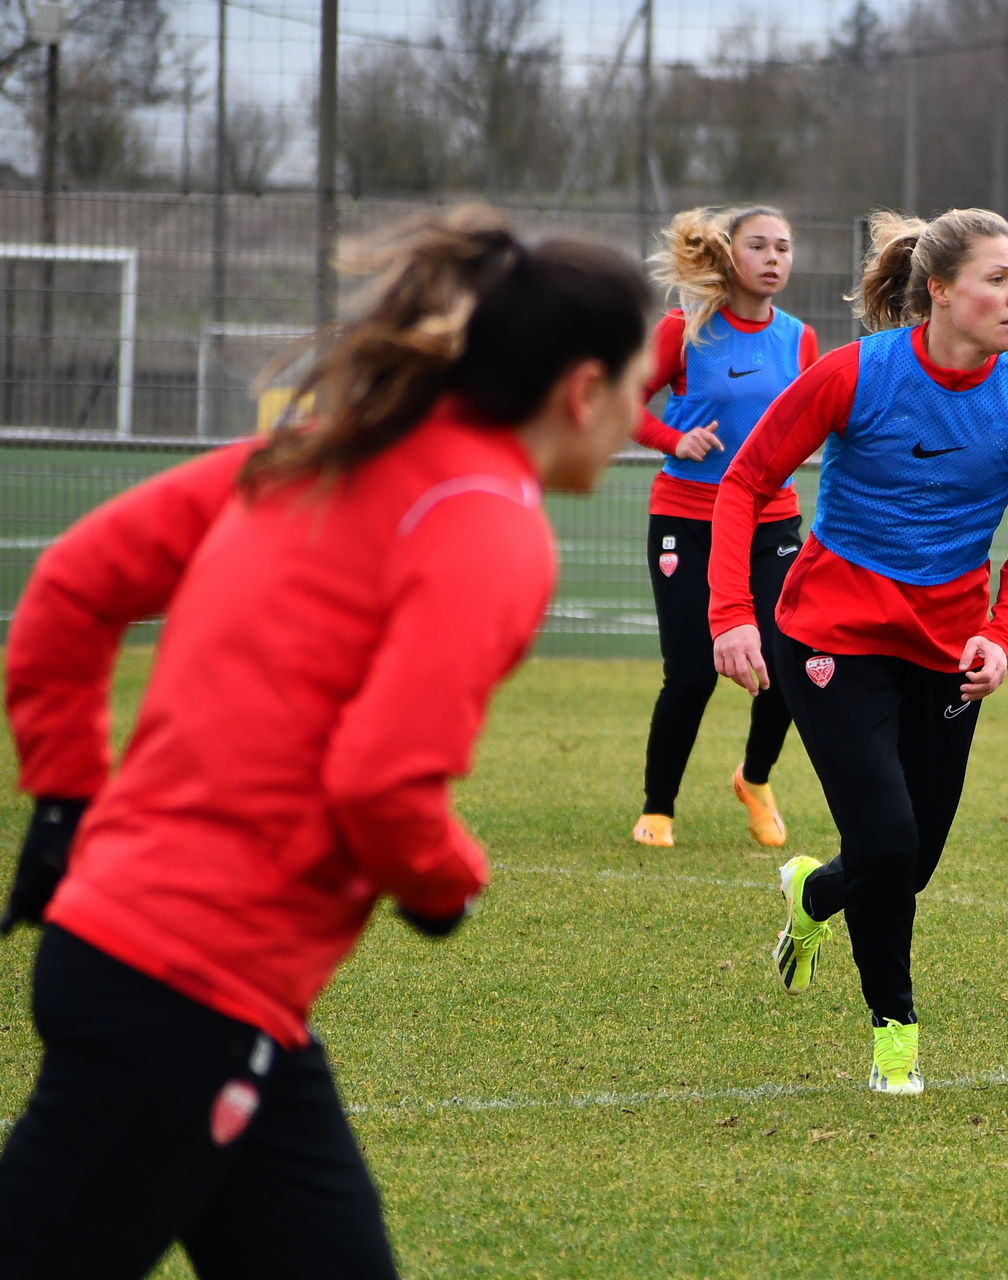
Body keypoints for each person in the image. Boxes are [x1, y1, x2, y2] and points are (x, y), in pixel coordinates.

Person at [0, 205, 652, 1279]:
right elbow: (382, 781)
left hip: (173, 978)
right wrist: (449, 883)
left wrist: (67, 799)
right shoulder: (492, 522)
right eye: (640, 387)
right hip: (185, 993)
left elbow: (72, 584)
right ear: (583, 390)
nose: (641, 416)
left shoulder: (327, 448)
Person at [709, 208, 1008, 1096]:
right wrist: (731, 615)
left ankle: (814, 895)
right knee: (888, 839)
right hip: (829, 635)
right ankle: (895, 1035)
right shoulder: (855, 374)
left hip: (947, 650)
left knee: (910, 862)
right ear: (939, 291)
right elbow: (747, 480)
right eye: (997, 279)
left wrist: (1001, 635)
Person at [628, 205, 819, 851]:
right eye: (758, 245)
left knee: (787, 663)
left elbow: (810, 422)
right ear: (727, 254)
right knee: (690, 674)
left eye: (783, 247)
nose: (774, 257)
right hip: (686, 517)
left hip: (771, 522)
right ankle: (658, 808)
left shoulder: (800, 339)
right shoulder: (683, 330)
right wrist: (674, 440)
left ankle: (755, 779)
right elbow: (624, 404)